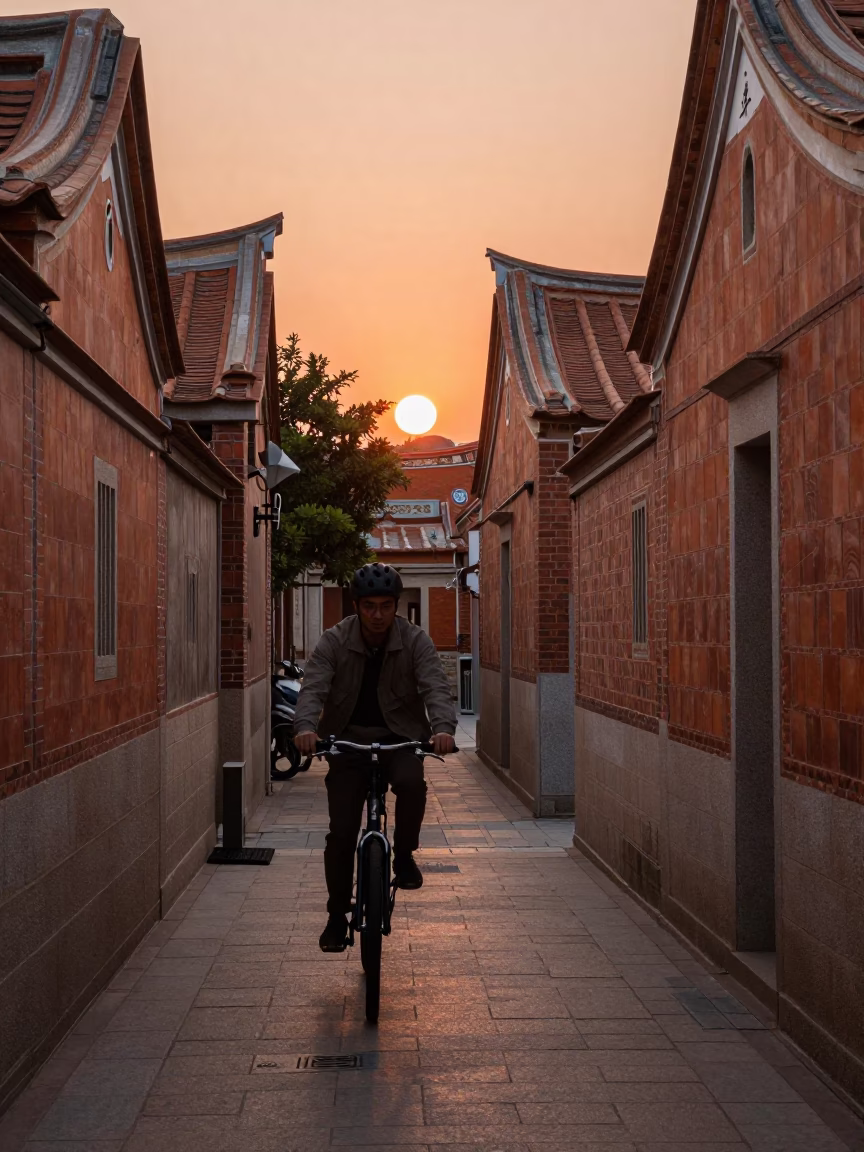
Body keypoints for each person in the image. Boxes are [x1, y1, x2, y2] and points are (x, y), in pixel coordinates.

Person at [293, 563, 457, 953]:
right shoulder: (334, 640)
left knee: (412, 784)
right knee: (342, 832)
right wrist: (305, 728)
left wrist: (443, 729)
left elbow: (435, 685)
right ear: (357, 606)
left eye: (386, 605)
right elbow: (314, 685)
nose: (378, 614)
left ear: (396, 606)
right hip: (347, 742)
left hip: (399, 739)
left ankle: (403, 856)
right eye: (370, 606)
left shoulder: (415, 640)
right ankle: (336, 915)